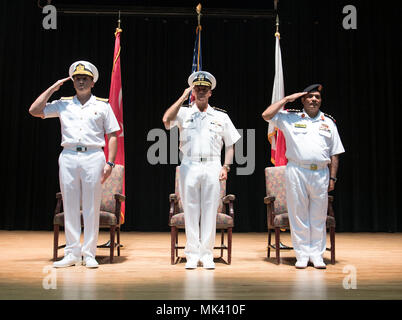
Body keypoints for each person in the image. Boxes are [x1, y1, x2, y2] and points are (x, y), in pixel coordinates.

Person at [29, 61, 120, 268]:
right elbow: (34, 110)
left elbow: (113, 135)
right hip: (69, 155)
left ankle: (89, 253)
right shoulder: (63, 103)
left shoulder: (102, 105)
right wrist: (53, 88)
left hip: (93, 156)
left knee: (91, 206)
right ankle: (71, 253)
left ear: (92, 82)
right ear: (72, 81)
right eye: (77, 78)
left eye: (85, 78)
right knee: (70, 204)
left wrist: (110, 162)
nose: (81, 81)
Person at [163, 71, 241, 269]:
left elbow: (231, 143)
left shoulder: (221, 116)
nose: (201, 92)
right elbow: (166, 120)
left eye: (204, 89)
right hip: (189, 164)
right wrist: (182, 97)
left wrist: (226, 166)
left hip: (213, 164)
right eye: (197, 89)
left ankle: (206, 254)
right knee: (190, 210)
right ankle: (191, 254)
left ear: (210, 93)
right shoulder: (184, 112)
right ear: (193, 91)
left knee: (209, 211)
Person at [262, 84, 345, 269]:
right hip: (297, 171)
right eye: (310, 96)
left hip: (321, 173)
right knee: (298, 214)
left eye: (317, 97)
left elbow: (335, 153)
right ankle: (301, 255)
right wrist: (285, 100)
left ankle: (317, 255)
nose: (314, 99)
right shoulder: (290, 117)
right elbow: (266, 115)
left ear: (321, 100)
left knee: (318, 216)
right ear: (303, 100)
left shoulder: (328, 122)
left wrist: (332, 178)